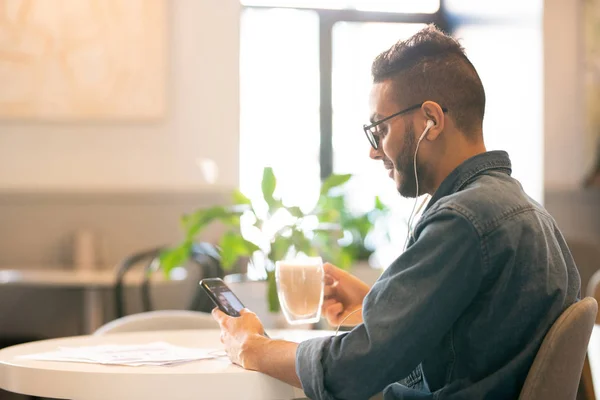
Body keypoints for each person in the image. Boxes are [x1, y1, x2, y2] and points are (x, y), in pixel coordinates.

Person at [212, 24, 580, 400]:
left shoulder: (463, 220)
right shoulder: (525, 210)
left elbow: (350, 372)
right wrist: (379, 308)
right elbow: (472, 346)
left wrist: (253, 347)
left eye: (380, 129)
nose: (374, 151)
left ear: (431, 121)